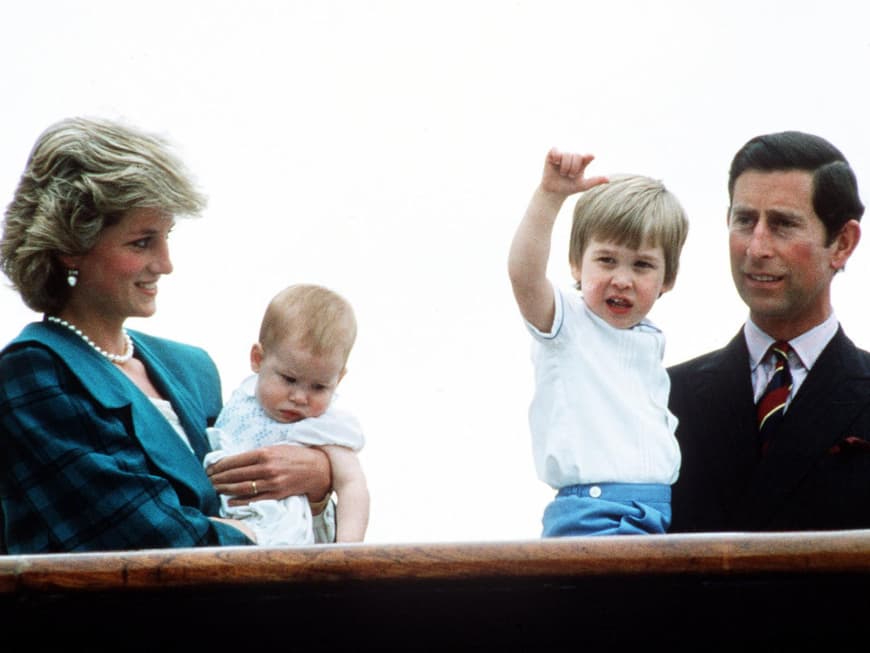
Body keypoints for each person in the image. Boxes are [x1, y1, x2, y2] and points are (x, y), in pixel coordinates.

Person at [0, 116, 333, 553]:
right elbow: (145, 541)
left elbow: (266, 511)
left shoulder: (191, 369)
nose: (166, 263)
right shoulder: (32, 373)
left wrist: (317, 479)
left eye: (167, 237)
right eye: (142, 242)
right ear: (70, 247)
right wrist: (256, 537)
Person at [668, 130, 868, 532]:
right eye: (744, 220)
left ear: (842, 243)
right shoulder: (662, 398)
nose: (756, 247)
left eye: (782, 224)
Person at [508, 147, 689, 537]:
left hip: (656, 511)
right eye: (607, 261)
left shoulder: (650, 339)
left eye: (641, 265)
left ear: (667, 279)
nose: (622, 279)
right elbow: (524, 274)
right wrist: (549, 197)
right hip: (593, 511)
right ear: (577, 263)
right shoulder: (567, 323)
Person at [205, 283, 369, 544]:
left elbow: (352, 485)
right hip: (226, 511)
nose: (300, 398)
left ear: (339, 379)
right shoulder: (244, 399)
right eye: (289, 379)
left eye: (319, 386)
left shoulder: (324, 424)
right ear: (258, 359)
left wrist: (347, 551)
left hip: (279, 534)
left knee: (202, 536)